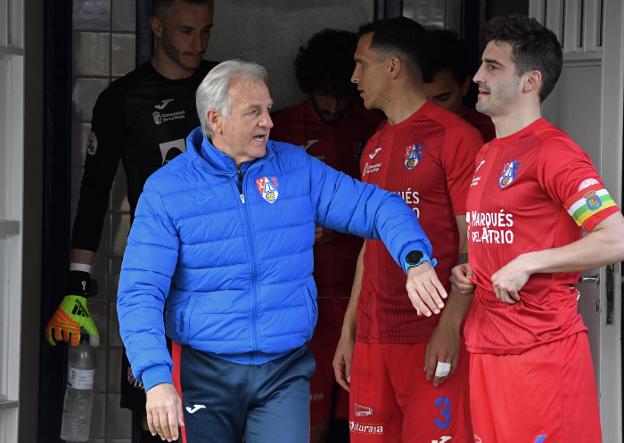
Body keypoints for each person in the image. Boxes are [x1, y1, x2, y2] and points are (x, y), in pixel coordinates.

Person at [116, 59, 447, 443]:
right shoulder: (167, 189)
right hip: (205, 370)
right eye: (253, 112)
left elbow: (378, 206)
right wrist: (155, 378)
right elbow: (140, 292)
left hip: (283, 370)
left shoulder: (296, 169)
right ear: (216, 119)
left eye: (268, 109)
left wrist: (415, 259)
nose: (268, 122)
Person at [416, 15, 624, 443]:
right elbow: (499, 236)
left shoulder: (555, 152)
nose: (477, 77)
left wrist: (529, 262)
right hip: (488, 348)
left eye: (493, 67)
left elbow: (615, 236)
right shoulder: (488, 153)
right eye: (481, 65)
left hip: (541, 353)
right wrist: (473, 270)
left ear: (531, 81)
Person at [44, 0, 216, 441]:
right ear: (156, 27)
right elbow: (96, 190)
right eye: (186, 32)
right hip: (155, 269)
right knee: (154, 411)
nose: (198, 44)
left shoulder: (222, 85)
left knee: (214, 408)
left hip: (220, 266)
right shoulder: (122, 98)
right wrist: (77, 279)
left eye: (205, 31)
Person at [332, 18, 482, 442]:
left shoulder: (455, 137)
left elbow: (475, 247)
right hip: (373, 342)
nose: (354, 77)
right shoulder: (376, 144)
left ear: (393, 67)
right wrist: (349, 332)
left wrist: (450, 325)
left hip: (429, 338)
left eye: (362, 64)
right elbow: (369, 247)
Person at [270, 28, 383, 443]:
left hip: (361, 295)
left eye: (342, 95)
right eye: (325, 94)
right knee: (310, 420)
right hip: (305, 298)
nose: (334, 105)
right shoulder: (280, 129)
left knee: (361, 419)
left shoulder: (375, 127)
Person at [424, 29, 496, 142]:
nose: (431, 110)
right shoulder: (400, 128)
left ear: (465, 86)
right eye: (421, 100)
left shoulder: (489, 132)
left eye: (443, 98)